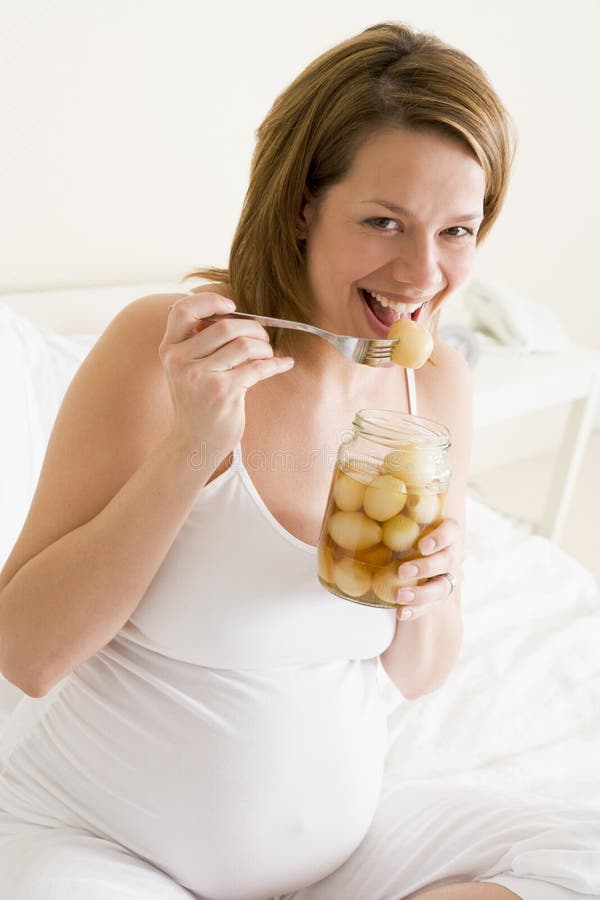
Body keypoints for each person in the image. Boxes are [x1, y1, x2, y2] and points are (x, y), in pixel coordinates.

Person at [0, 21, 597, 900]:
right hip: (103, 842)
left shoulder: (433, 388)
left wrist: (430, 597)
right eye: (384, 222)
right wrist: (191, 450)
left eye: (458, 231)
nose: (421, 273)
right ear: (302, 205)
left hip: (339, 861)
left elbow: (418, 673)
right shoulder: (163, 351)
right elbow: (26, 654)